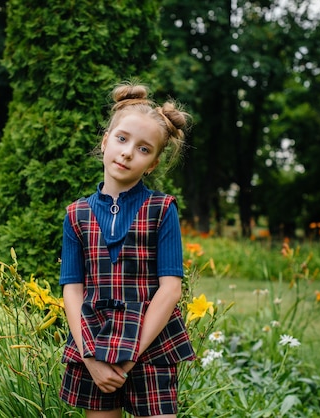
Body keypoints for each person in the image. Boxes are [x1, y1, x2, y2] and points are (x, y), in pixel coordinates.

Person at [59, 82, 196, 418]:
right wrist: (89, 356)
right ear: (106, 141)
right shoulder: (76, 214)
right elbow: (72, 289)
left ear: (152, 164)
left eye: (143, 149)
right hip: (96, 340)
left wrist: (132, 353)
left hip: (152, 344)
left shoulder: (162, 210)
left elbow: (171, 289)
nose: (127, 152)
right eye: (122, 139)